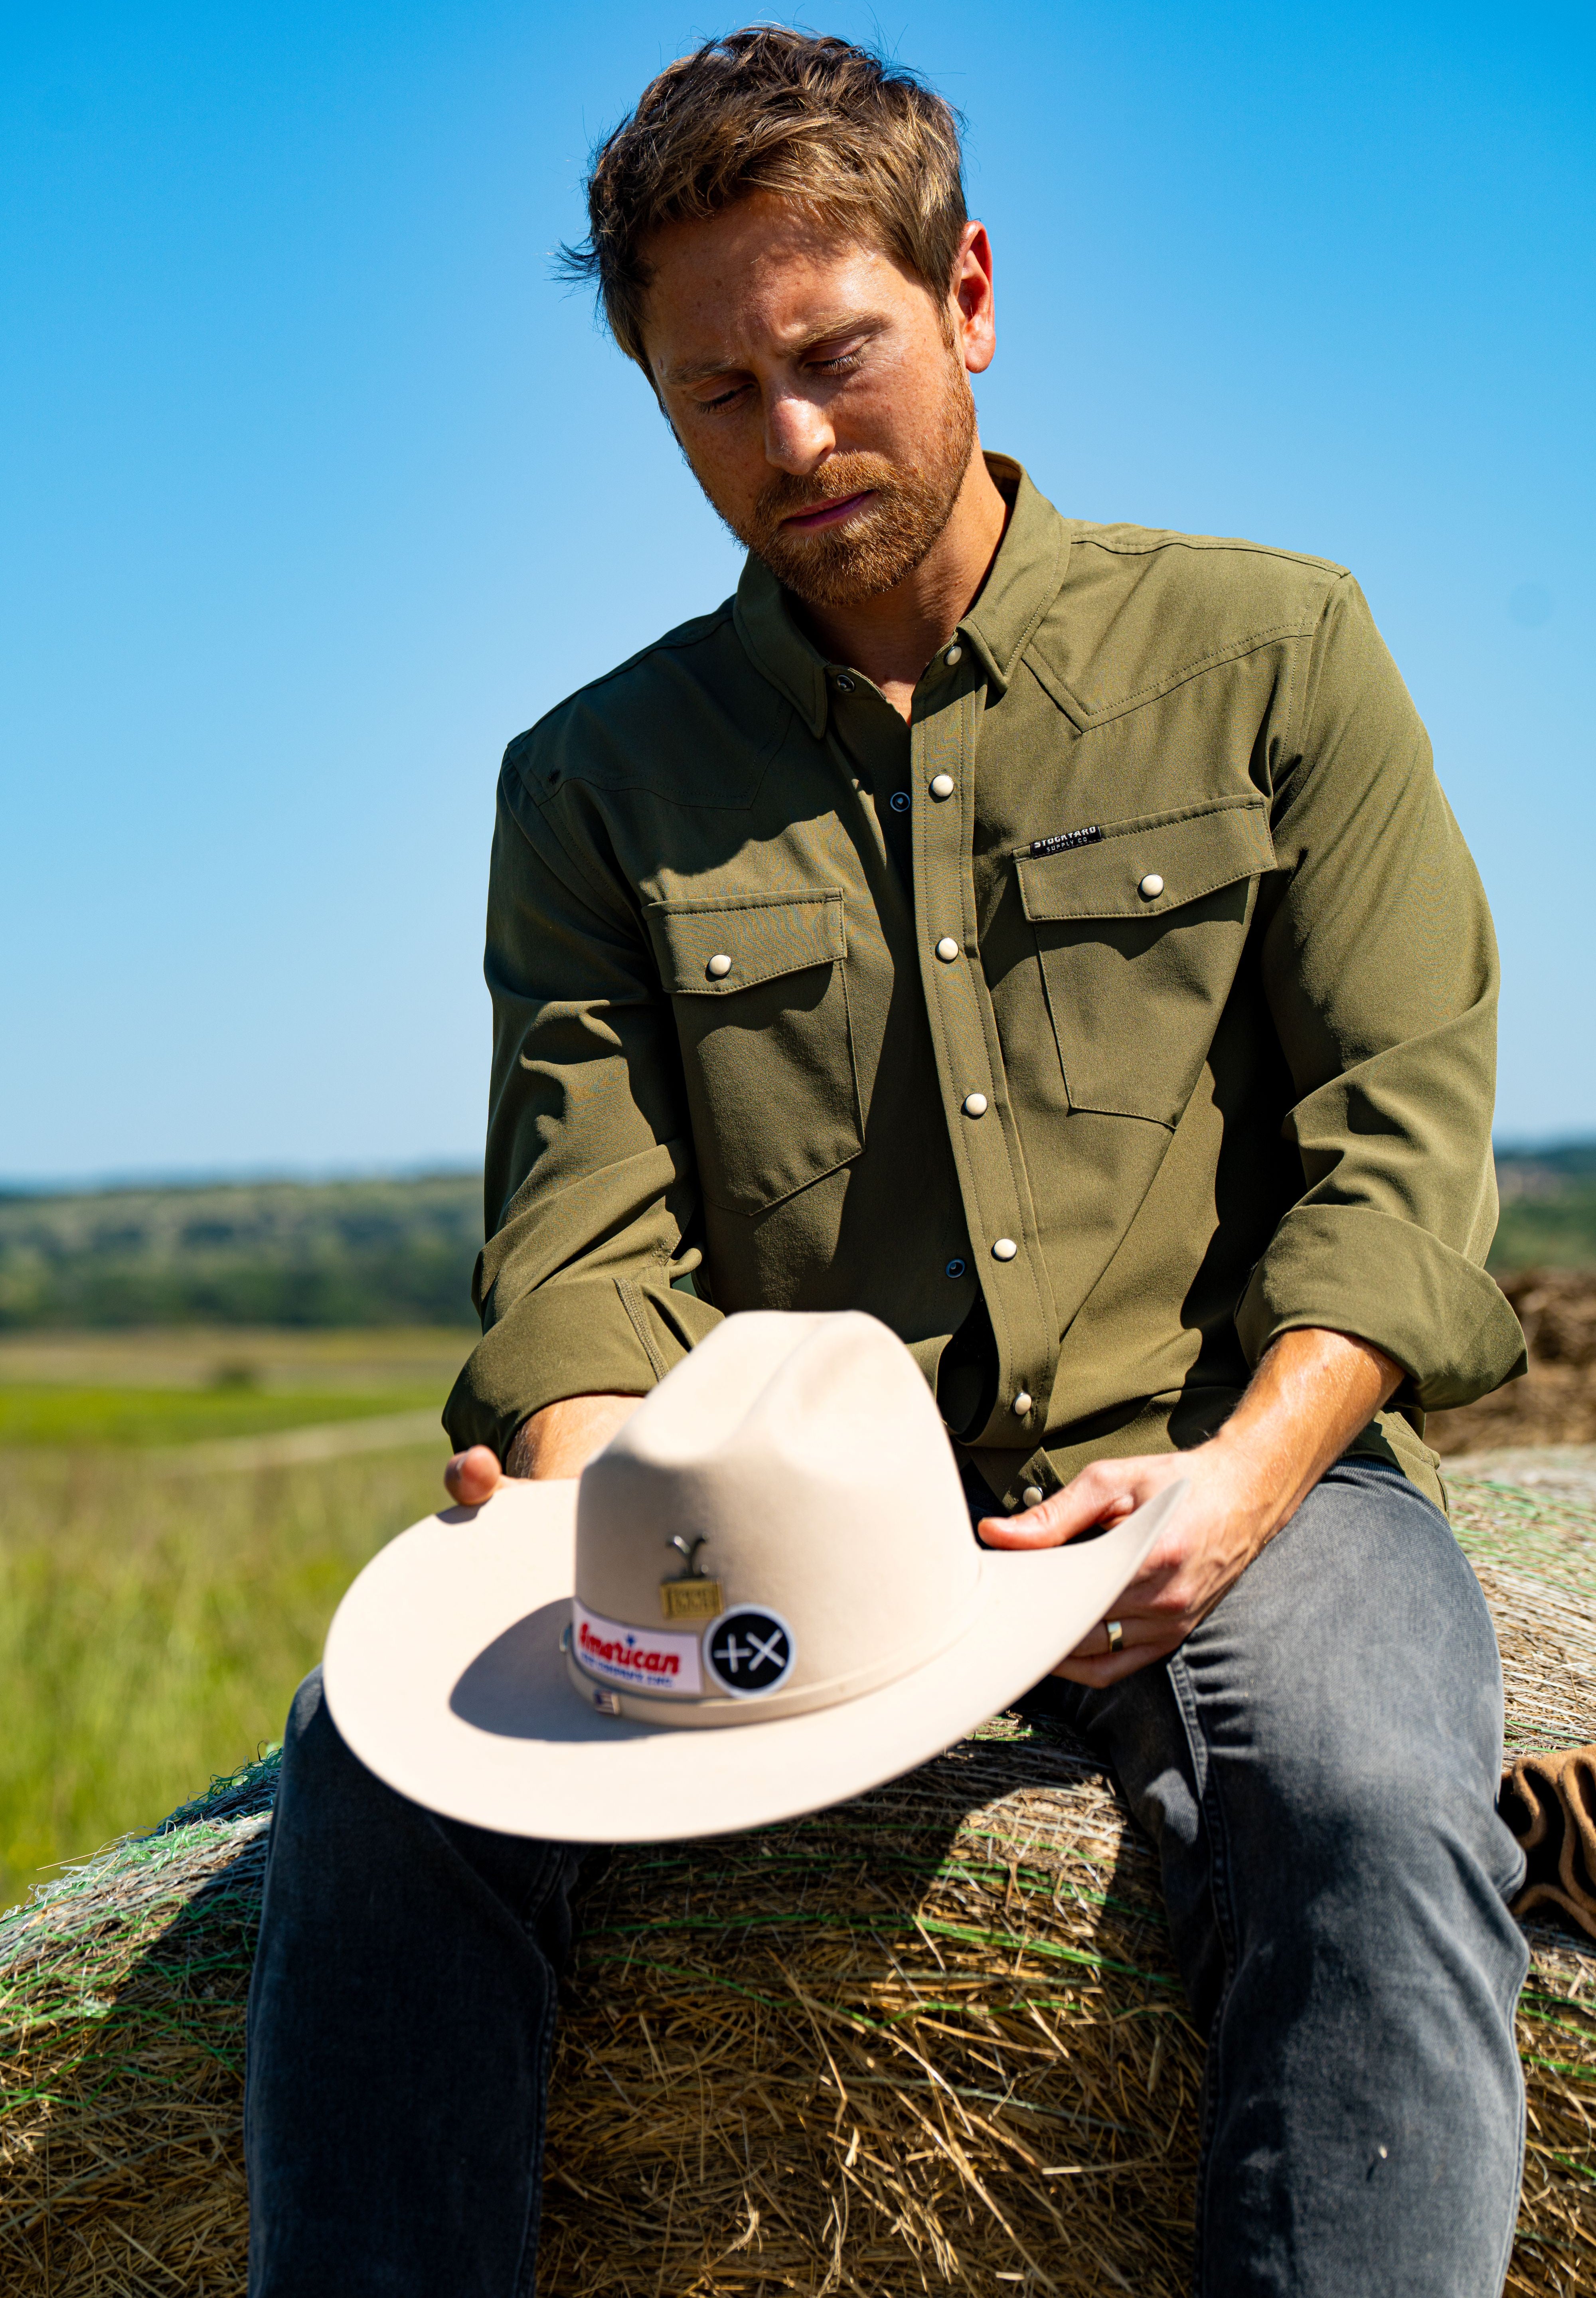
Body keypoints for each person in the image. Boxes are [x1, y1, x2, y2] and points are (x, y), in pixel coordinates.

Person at [245, 29, 1531, 2298]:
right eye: (714, 396)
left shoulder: (1279, 650)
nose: (795, 440)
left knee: (1361, 1806)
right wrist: (581, 1481)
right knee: (375, 1796)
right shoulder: (591, 784)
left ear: (971, 297)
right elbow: (580, 1238)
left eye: (833, 354)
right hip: (789, 1533)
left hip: (1229, 1466)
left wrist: (1242, 1477)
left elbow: (1402, 1139)